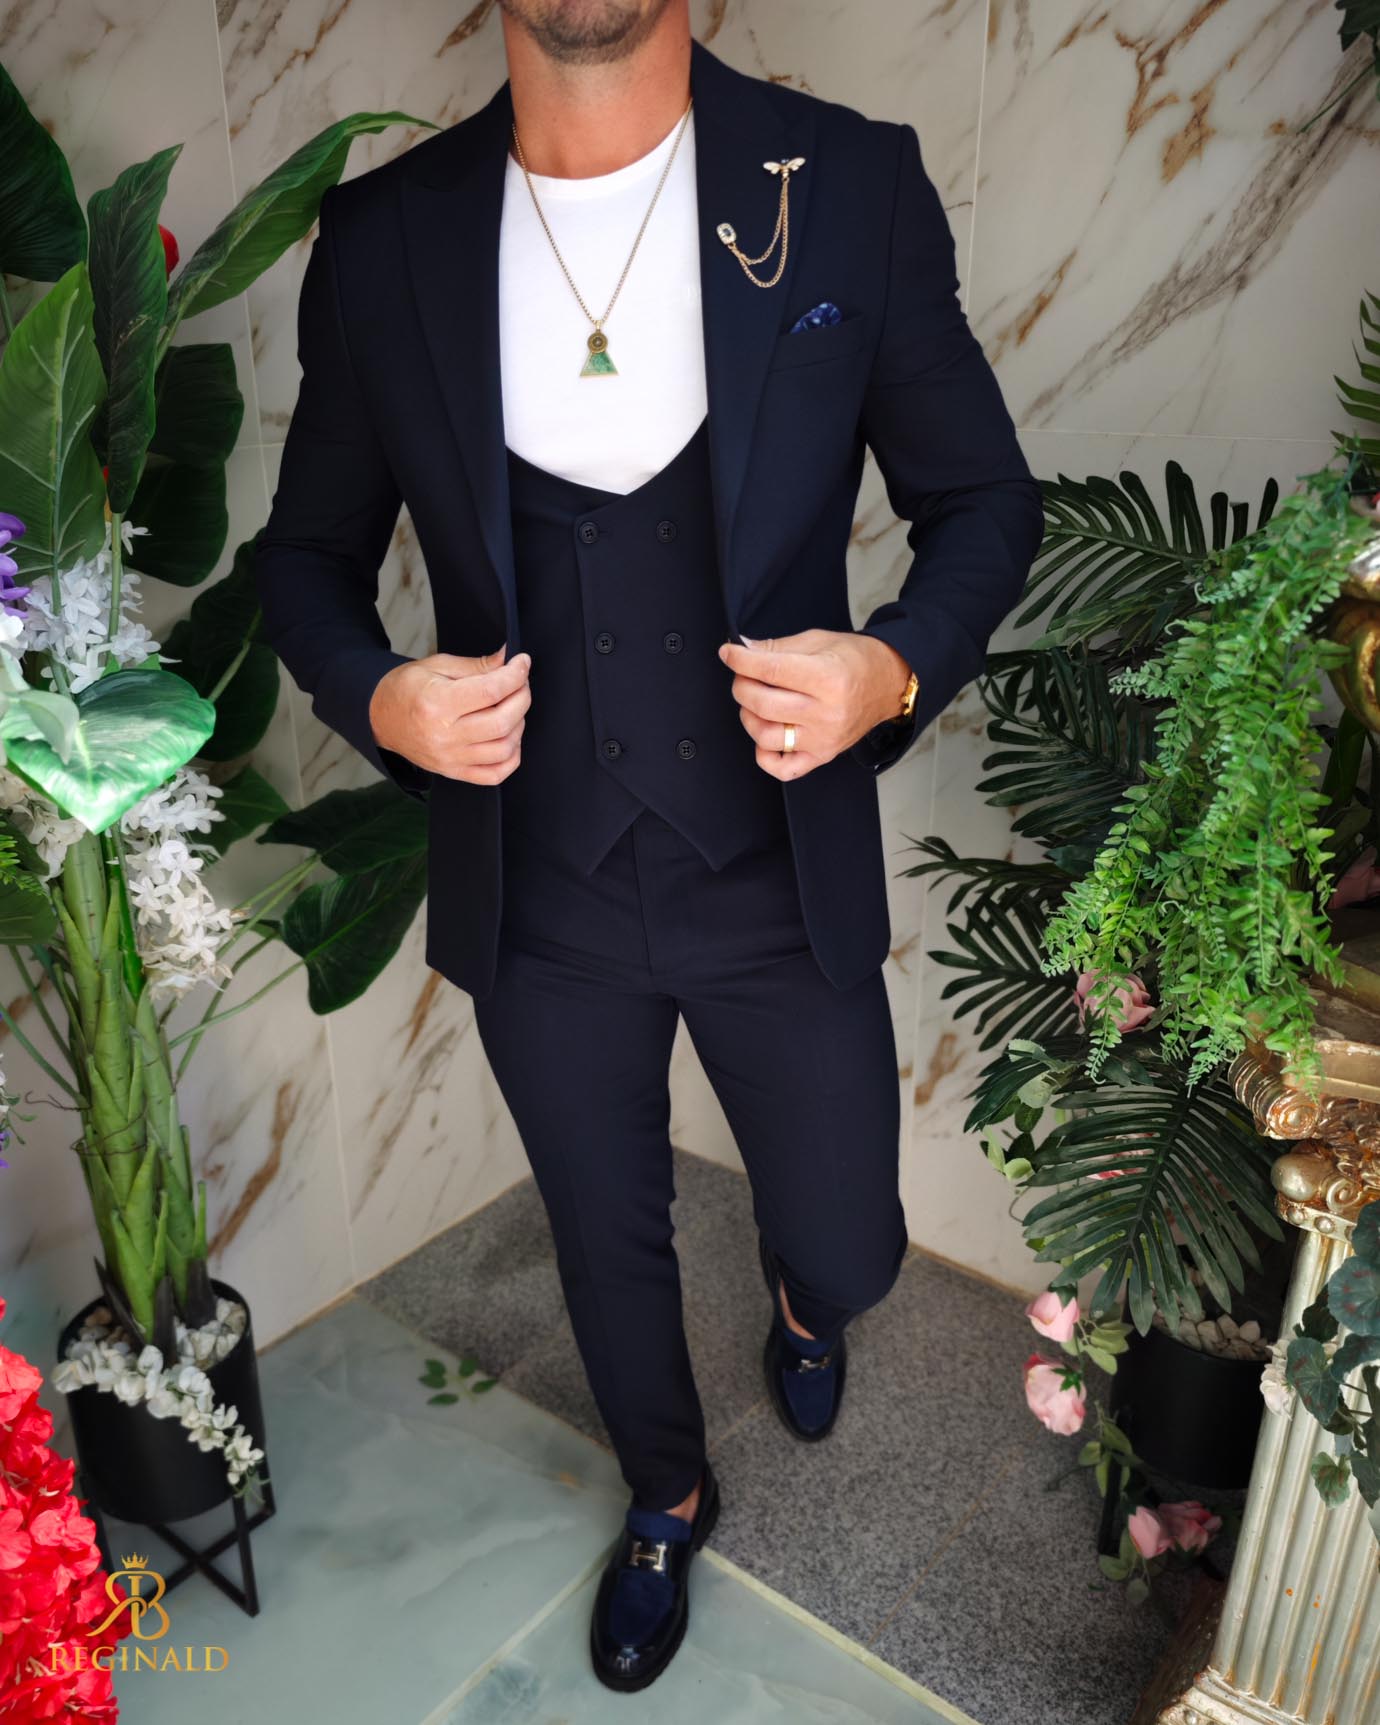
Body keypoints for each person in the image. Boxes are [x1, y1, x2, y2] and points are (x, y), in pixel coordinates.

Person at [255, 0, 1044, 1693]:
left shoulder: (845, 185)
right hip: (538, 880)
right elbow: (304, 559)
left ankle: (806, 1293)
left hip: (772, 862)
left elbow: (987, 501)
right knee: (604, 1237)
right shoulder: (385, 238)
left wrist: (892, 666)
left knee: (855, 1240)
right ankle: (667, 1493)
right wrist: (382, 697)